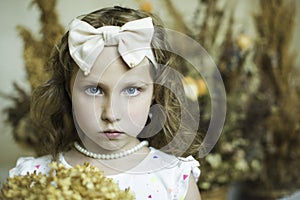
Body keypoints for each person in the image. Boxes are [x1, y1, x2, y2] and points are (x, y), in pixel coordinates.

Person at [9, 6, 202, 200]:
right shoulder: (32, 178)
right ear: (68, 89)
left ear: (155, 92)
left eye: (131, 90)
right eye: (94, 90)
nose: (111, 114)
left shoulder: (174, 179)